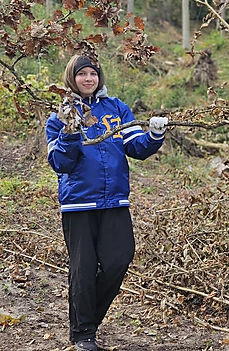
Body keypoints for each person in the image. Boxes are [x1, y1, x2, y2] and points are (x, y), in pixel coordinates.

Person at [46, 55, 168, 351]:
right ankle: (84, 333)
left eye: (93, 73)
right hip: (79, 204)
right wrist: (71, 133)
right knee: (83, 269)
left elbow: (136, 148)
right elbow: (60, 163)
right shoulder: (59, 116)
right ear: (71, 78)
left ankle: (85, 320)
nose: (88, 79)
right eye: (81, 74)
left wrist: (154, 134)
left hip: (115, 201)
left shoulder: (116, 109)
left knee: (119, 259)